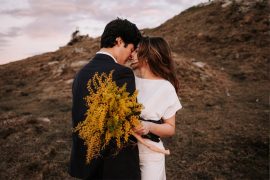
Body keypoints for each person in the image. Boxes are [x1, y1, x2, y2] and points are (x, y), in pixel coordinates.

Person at [69, 18, 142, 179]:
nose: (131, 56)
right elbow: (130, 120)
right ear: (119, 41)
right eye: (131, 49)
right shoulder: (122, 73)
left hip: (86, 165)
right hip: (115, 167)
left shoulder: (80, 74)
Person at [130, 36, 182, 180]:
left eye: (136, 51)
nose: (131, 54)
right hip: (125, 153)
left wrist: (148, 126)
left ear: (147, 57)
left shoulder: (165, 88)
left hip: (150, 155)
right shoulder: (129, 81)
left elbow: (171, 128)